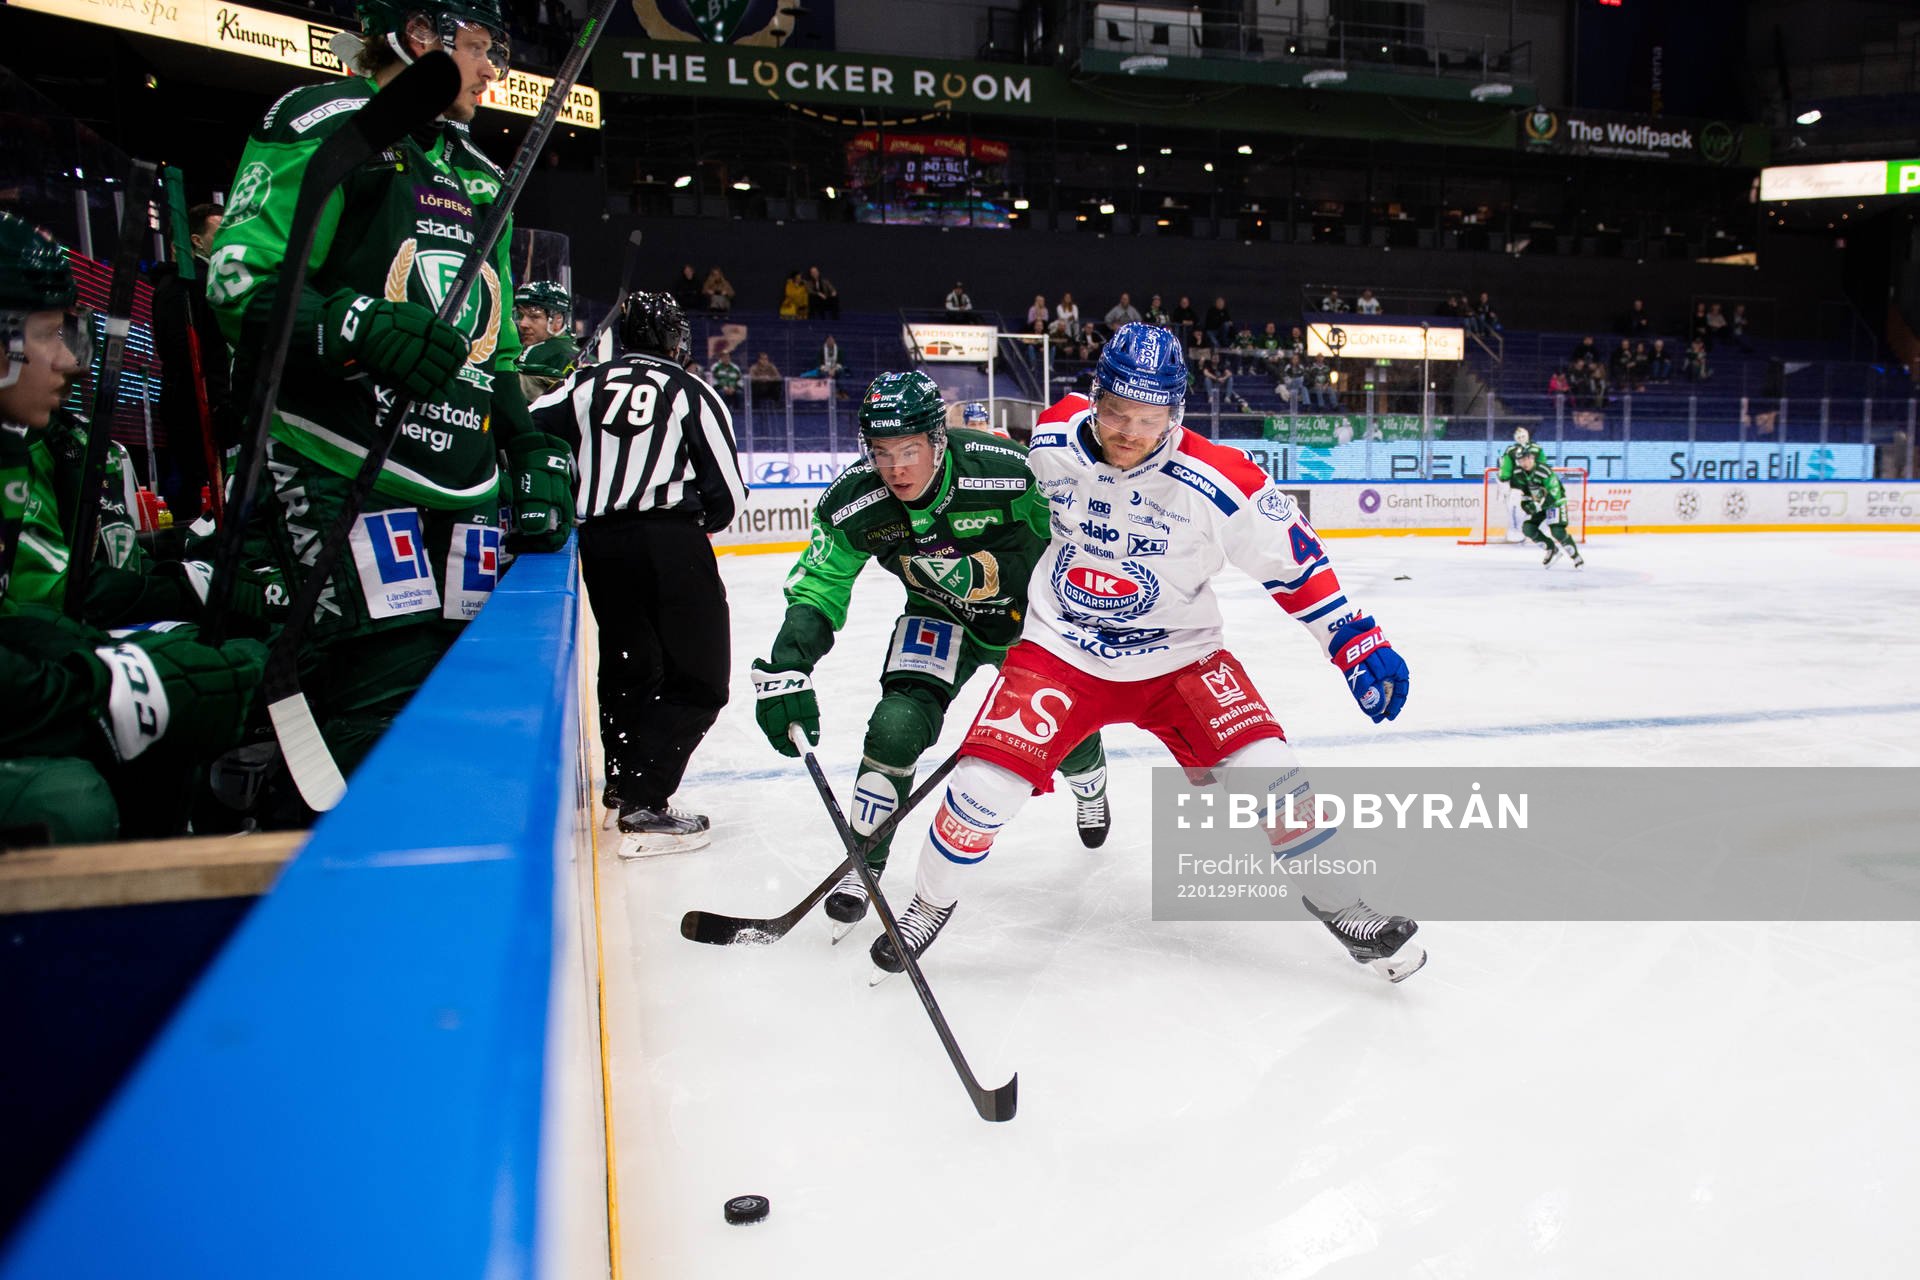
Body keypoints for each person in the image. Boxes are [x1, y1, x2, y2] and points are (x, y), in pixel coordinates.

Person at [869, 326, 1421, 982]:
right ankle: (928, 906)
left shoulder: (1221, 479)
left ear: (1176, 414)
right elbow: (965, 459)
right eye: (1116, 413)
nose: (1128, 432)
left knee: (1273, 775)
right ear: (1094, 398)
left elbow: (1294, 563)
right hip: (1062, 649)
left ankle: (1346, 910)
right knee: (979, 791)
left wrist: (1354, 640)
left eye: (1148, 418)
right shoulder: (1052, 437)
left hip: (1180, 659)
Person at [205, 0, 573, 784]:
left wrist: (527, 441)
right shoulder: (331, 120)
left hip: (463, 491)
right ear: (420, 37)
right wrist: (360, 326)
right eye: (481, 50)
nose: (493, 74)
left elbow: (496, 348)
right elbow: (238, 282)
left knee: (466, 699)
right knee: (380, 714)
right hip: (340, 465)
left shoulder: (481, 176)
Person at [748, 371, 1109, 927]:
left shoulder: (1006, 472)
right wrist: (789, 665)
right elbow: (821, 583)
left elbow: (1075, 535)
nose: (896, 468)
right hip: (939, 617)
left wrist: (1089, 604)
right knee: (894, 727)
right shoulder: (854, 502)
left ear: (938, 440)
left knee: (1065, 735)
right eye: (882, 452)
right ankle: (864, 858)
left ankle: (1091, 783)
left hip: (1030, 622)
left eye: (910, 449)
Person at [0, 212, 266, 844]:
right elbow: (66, 595)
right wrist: (112, 683)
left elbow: (31, 618)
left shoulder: (33, 446)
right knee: (68, 801)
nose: (69, 361)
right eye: (47, 335)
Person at [531, 291, 745, 852]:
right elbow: (728, 495)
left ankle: (624, 789)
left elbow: (525, 424)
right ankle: (646, 802)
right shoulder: (689, 389)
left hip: (599, 545)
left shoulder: (583, 382)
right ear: (676, 338)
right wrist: (694, 516)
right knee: (700, 679)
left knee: (630, 666)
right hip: (669, 542)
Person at [149, 201, 233, 517]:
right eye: (219, 230)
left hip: (220, 403)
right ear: (196, 241)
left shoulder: (214, 280)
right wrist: (217, 400)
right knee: (195, 487)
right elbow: (179, 351)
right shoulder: (181, 286)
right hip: (196, 408)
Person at [1509, 449, 1584, 568]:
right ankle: (1552, 549)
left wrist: (1539, 505)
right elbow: (1525, 493)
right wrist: (1527, 506)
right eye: (1520, 460)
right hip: (1540, 503)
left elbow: (1555, 493)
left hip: (1555, 503)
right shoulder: (1518, 472)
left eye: (1525, 459)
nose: (1523, 463)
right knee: (1528, 528)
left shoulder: (1543, 471)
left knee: (1557, 531)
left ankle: (1576, 557)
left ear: (1531, 458)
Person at [513, 279, 577, 399]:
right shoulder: (579, 351)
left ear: (558, 320)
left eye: (534, 317)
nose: (523, 324)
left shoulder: (542, 351)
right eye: (521, 315)